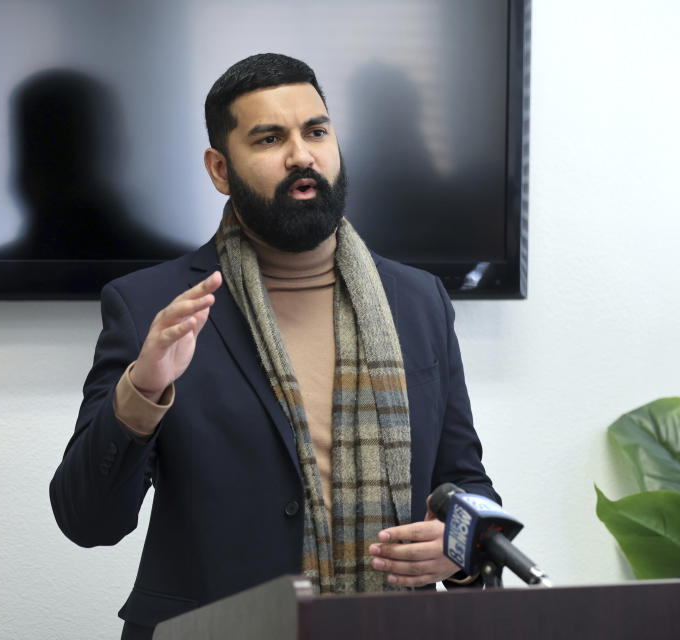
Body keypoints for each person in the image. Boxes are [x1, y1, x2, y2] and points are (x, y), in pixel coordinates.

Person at [49, 53, 498, 639]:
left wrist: (458, 548)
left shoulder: (418, 301)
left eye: (316, 131)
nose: (302, 155)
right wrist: (143, 389)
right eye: (268, 138)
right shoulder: (152, 308)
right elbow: (88, 520)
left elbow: (467, 482)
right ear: (219, 169)